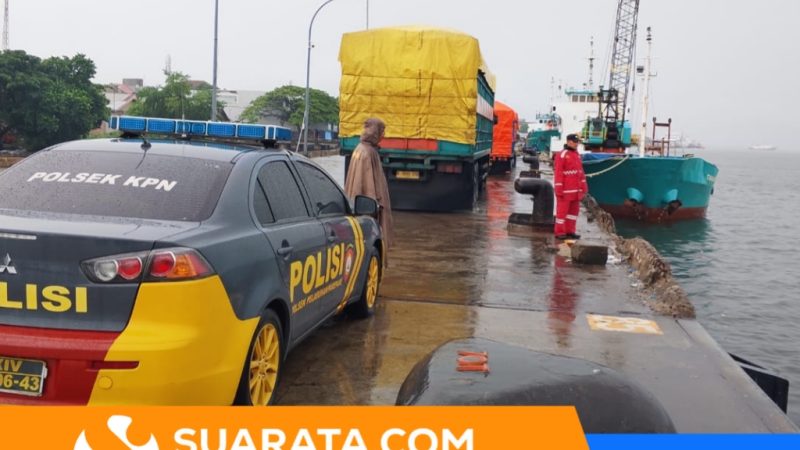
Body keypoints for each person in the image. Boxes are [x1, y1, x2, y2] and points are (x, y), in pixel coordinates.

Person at [344, 117, 395, 254]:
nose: (383, 136)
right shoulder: (368, 153)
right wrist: (374, 208)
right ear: (375, 132)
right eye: (381, 132)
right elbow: (368, 187)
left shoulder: (361, 149)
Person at [553, 133, 588, 240]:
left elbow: (580, 172)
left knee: (573, 213)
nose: (576, 144)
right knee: (562, 213)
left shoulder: (577, 155)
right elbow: (558, 173)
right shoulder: (562, 155)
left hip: (576, 191)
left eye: (577, 142)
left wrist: (584, 187)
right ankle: (559, 232)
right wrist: (558, 189)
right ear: (568, 142)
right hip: (565, 191)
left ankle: (570, 231)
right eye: (574, 142)